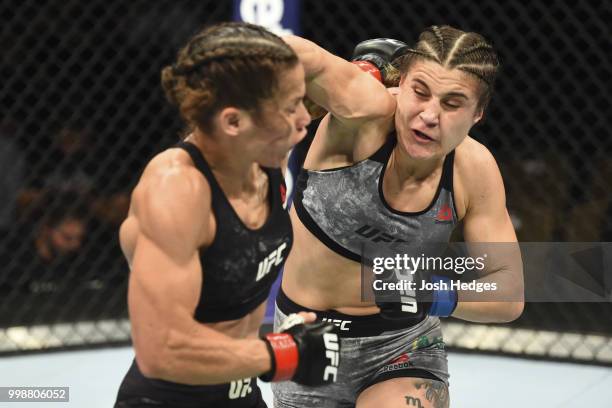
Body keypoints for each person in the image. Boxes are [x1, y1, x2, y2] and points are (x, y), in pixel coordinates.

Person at [274, 26, 524, 407]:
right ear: (400, 84)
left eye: (453, 103)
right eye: (420, 92)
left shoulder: (473, 170)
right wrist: (348, 76)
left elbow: (508, 293)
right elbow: (290, 50)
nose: (428, 115)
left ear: (478, 115)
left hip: (404, 346)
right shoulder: (365, 114)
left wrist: (431, 294)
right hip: (308, 339)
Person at [114, 22, 340, 408]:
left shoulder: (262, 152)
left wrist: (376, 76)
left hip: (240, 391)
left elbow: (329, 81)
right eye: (291, 108)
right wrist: (286, 353)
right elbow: (161, 350)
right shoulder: (177, 191)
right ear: (233, 122)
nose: (306, 119)